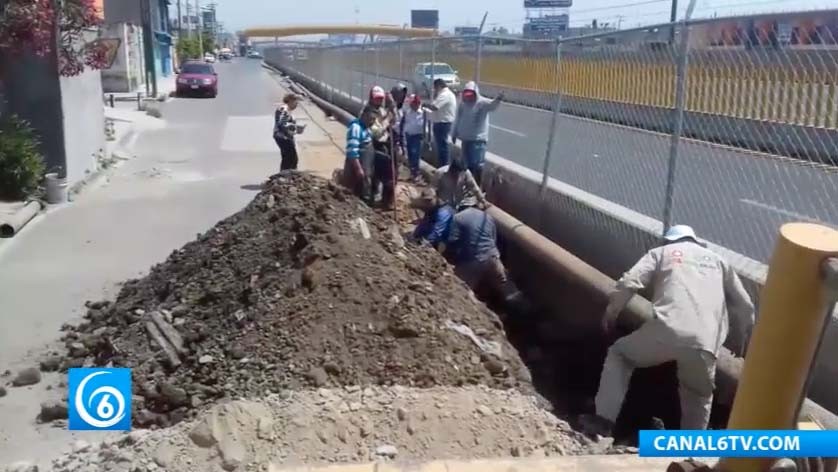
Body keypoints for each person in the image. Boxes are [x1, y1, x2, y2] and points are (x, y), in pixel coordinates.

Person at [580, 225, 755, 437]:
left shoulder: (661, 253)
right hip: (707, 341)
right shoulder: (718, 261)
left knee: (620, 354)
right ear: (694, 240)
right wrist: (742, 337)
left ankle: (603, 423)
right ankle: (691, 453)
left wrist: (612, 311)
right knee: (698, 395)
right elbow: (745, 305)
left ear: (669, 241)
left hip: (667, 330)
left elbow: (629, 281)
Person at [452, 82, 504, 185]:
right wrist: (454, 132)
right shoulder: (463, 104)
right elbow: (458, 118)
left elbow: (492, 106)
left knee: (476, 166)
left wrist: (498, 99)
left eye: (471, 95)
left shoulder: (482, 103)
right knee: (466, 165)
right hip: (465, 139)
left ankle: (476, 188)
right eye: (466, 95)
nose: (468, 98)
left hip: (477, 141)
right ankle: (468, 187)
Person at [422, 78, 457, 167]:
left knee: (442, 146)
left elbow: (435, 107)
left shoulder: (445, 94)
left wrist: (425, 105)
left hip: (442, 123)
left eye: (435, 88)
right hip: (442, 122)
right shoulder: (447, 94)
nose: (435, 90)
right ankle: (443, 164)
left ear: (439, 86)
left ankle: (444, 165)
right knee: (441, 145)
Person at [344, 105, 376, 201]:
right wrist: (358, 169)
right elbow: (352, 151)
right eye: (370, 119)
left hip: (366, 168)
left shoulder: (367, 129)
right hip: (356, 168)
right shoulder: (356, 128)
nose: (372, 122)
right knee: (354, 193)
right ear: (364, 115)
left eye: (374, 120)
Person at [273, 93, 305, 171]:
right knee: (291, 159)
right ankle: (287, 176)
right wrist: (295, 127)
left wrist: (295, 129)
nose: (297, 105)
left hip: (284, 136)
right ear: (290, 101)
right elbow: (281, 123)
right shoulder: (285, 109)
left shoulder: (286, 109)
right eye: (296, 102)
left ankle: (285, 175)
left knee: (287, 158)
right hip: (283, 137)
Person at [402, 94, 426, 180]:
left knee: (416, 154)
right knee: (410, 155)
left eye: (412, 104)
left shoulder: (423, 113)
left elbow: (426, 126)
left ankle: (416, 173)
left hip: (417, 136)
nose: (410, 105)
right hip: (409, 135)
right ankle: (412, 173)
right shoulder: (408, 112)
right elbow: (405, 123)